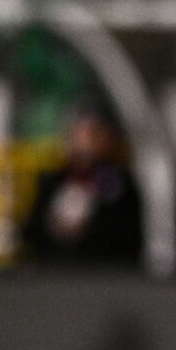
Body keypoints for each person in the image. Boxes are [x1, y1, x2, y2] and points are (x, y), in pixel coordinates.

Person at [21, 102, 143, 266]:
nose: (84, 141)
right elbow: (28, 231)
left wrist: (85, 229)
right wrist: (53, 226)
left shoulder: (119, 184)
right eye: (78, 133)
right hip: (51, 272)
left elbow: (125, 236)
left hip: (100, 275)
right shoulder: (53, 180)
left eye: (93, 134)